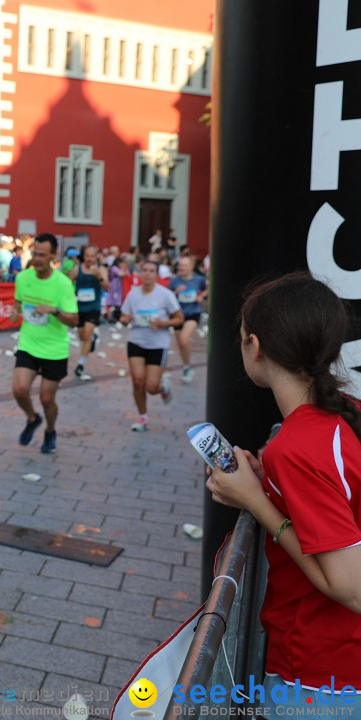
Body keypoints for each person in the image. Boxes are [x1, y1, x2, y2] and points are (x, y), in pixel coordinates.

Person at [205, 272, 361, 713]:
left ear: (255, 346)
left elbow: (352, 587)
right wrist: (267, 487)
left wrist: (254, 500)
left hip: (321, 679)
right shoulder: (345, 413)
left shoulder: (296, 447)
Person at [9, 233, 78, 453]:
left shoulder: (63, 284)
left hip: (54, 349)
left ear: (53, 255)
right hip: (29, 344)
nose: (37, 259)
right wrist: (15, 311)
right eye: (35, 253)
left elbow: (74, 320)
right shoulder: (23, 278)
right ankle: (32, 418)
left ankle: (50, 430)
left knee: (47, 398)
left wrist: (54, 310)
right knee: (20, 390)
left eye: (42, 255)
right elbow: (18, 302)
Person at [119, 260, 182, 431]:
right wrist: (127, 319)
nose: (147, 273)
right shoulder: (133, 294)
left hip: (158, 344)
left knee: (151, 386)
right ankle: (143, 417)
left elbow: (179, 318)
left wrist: (162, 323)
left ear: (156, 274)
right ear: (139, 273)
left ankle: (162, 387)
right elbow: (123, 317)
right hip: (136, 341)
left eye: (151, 270)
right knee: (138, 381)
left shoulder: (165, 294)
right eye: (144, 270)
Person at [168, 255, 208, 384]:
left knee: (184, 339)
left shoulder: (198, 279)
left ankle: (187, 367)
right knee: (181, 344)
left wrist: (201, 297)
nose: (181, 267)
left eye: (184, 265)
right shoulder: (174, 281)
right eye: (180, 265)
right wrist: (175, 293)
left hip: (193, 314)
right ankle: (187, 366)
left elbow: (206, 289)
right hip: (178, 315)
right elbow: (168, 298)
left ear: (190, 267)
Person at [73, 245, 109, 381]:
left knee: (86, 334)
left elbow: (107, 288)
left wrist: (99, 277)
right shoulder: (78, 269)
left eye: (92, 256)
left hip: (94, 307)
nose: (89, 259)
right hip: (79, 307)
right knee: (82, 336)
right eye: (87, 256)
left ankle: (81, 364)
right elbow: (67, 281)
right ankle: (92, 339)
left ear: (96, 256)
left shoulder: (101, 269)